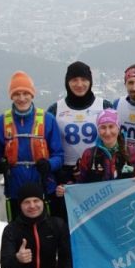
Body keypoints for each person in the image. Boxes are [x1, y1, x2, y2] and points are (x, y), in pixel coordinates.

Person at [74, 109, 135, 268]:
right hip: (99, 218)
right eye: (102, 128)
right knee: (105, 262)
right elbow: (81, 185)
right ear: (98, 130)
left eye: (111, 127)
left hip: (124, 216)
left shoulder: (130, 154)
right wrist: (67, 190)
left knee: (123, 262)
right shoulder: (90, 154)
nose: (107, 132)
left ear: (118, 128)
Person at [0, 71, 63, 221]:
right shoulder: (0, 123)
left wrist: (49, 165)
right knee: (17, 230)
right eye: (17, 94)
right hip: (15, 188)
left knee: (46, 230)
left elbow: (59, 155)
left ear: (32, 94)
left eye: (26, 93)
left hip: (43, 186)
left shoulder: (48, 120)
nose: (22, 98)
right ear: (11, 96)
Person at [46, 61, 112, 214]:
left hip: (97, 171)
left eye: (84, 79)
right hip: (65, 174)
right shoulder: (55, 109)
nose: (79, 84)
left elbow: (115, 140)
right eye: (74, 80)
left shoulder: (104, 105)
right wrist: (57, 174)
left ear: (90, 81)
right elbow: (49, 145)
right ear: (67, 82)